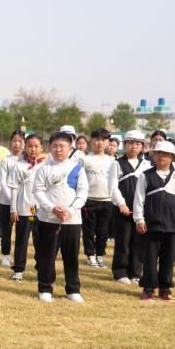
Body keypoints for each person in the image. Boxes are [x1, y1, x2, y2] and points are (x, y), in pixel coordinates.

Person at [32, 132, 88, 303]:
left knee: (71, 256)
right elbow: (38, 191)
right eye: (55, 146)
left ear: (70, 148)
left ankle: (73, 289)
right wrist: (52, 208)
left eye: (62, 146)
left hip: (72, 220)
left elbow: (83, 193)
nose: (58, 150)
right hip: (48, 218)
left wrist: (71, 210)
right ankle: (45, 288)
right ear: (50, 147)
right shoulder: (43, 168)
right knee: (46, 256)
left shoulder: (77, 169)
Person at [133, 141, 175, 301]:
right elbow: (139, 200)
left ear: (172, 158)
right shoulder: (145, 175)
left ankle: (165, 288)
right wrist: (139, 219)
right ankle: (149, 288)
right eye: (158, 153)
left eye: (165, 154)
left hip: (173, 224)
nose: (161, 156)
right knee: (150, 258)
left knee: (168, 258)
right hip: (151, 223)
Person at [108, 130, 151, 284]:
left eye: (138, 144)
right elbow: (112, 187)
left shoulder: (147, 164)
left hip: (141, 210)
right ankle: (120, 272)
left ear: (142, 146)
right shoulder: (116, 163)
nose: (134, 146)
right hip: (123, 209)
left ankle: (135, 273)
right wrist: (121, 203)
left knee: (139, 241)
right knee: (123, 241)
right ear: (125, 145)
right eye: (131, 143)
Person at [8, 133, 47, 281]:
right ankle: (18, 269)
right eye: (30, 146)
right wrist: (13, 209)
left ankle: (41, 267)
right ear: (25, 147)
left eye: (36, 146)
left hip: (39, 210)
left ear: (42, 147)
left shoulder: (45, 166)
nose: (33, 149)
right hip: (25, 208)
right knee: (22, 240)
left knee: (40, 240)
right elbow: (13, 188)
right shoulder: (19, 165)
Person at [81, 128, 114, 268]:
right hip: (89, 200)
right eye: (97, 139)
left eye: (103, 140)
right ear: (92, 141)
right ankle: (90, 255)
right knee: (89, 231)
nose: (100, 142)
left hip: (107, 200)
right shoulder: (85, 159)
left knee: (103, 231)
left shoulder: (112, 161)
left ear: (107, 142)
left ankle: (100, 254)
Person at [0, 131, 24, 267]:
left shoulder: (29, 162)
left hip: (26, 204)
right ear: (10, 143)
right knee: (6, 230)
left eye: (20, 141)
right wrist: (12, 200)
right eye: (14, 141)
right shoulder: (6, 161)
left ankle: (21, 258)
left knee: (25, 231)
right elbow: (2, 182)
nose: (17, 144)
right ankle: (6, 255)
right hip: (6, 202)